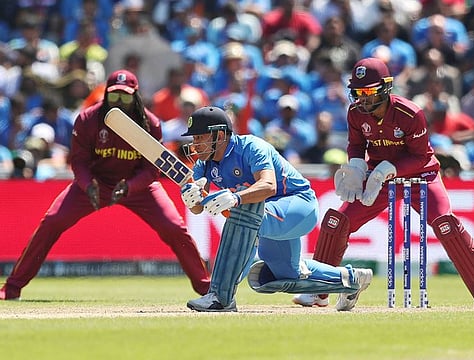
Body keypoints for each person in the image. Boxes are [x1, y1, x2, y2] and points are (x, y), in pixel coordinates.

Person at [0, 69, 210, 301]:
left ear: (136, 96)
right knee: (52, 222)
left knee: (173, 228)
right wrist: (88, 185)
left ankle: (208, 290)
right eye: (114, 96)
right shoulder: (88, 119)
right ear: (105, 95)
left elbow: (152, 169)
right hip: (94, 184)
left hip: (138, 187)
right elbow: (78, 161)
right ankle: (11, 289)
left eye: (126, 97)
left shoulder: (149, 122)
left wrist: (130, 187)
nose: (119, 103)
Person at [292, 57, 474, 309]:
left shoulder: (411, 113)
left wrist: (384, 170)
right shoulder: (355, 112)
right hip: (378, 180)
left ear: (385, 88)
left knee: (446, 224)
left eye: (369, 92)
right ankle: (318, 290)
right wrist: (357, 168)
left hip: (420, 177)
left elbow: (420, 156)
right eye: (358, 92)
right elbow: (356, 145)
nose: (363, 99)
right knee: (336, 221)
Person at [179, 106, 373, 312]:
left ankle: (220, 296)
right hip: (267, 215)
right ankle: (351, 280)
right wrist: (192, 199)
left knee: (242, 211)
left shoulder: (250, 147)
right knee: (280, 276)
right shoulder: (204, 162)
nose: (195, 144)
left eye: (200, 137)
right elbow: (198, 207)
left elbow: (268, 186)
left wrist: (236, 197)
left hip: (297, 205)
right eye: (194, 138)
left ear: (219, 135)